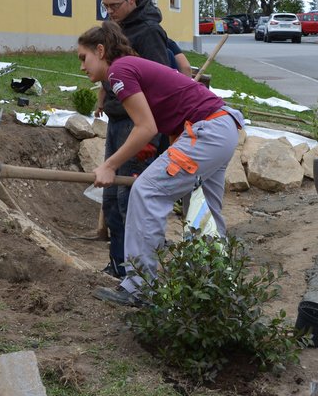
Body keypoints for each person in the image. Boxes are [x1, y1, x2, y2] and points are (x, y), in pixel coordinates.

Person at [78, 22, 242, 306]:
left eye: (84, 57)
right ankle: (214, 291)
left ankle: (139, 288)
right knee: (203, 210)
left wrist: (110, 165)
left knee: (146, 192)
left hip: (206, 131)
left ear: (101, 50)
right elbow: (164, 117)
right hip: (221, 126)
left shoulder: (118, 71)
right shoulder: (133, 66)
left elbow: (145, 127)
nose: (82, 66)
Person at [97, 0, 173, 278]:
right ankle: (117, 265)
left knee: (129, 198)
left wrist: (151, 136)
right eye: (105, 6)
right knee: (111, 197)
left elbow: (160, 82)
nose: (110, 12)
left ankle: (137, 274)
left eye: (114, 6)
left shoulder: (150, 32)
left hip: (137, 123)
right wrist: (103, 96)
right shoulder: (113, 27)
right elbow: (109, 67)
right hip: (116, 119)